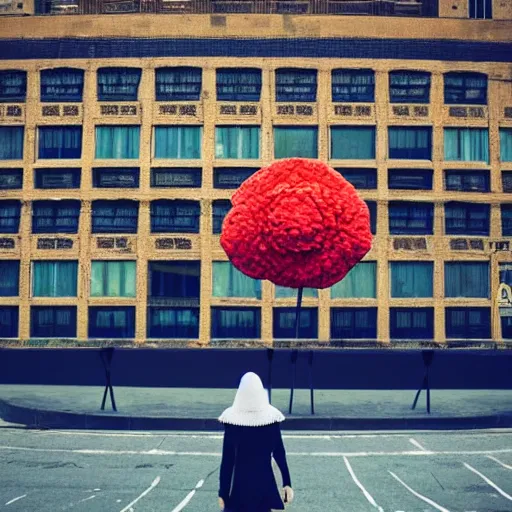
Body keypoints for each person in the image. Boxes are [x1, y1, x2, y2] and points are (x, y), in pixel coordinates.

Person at [218, 372, 294, 512]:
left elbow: (227, 460)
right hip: (263, 487)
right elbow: (279, 453)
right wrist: (287, 483)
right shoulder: (271, 421)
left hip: (239, 488)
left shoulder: (232, 422)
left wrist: (223, 492)